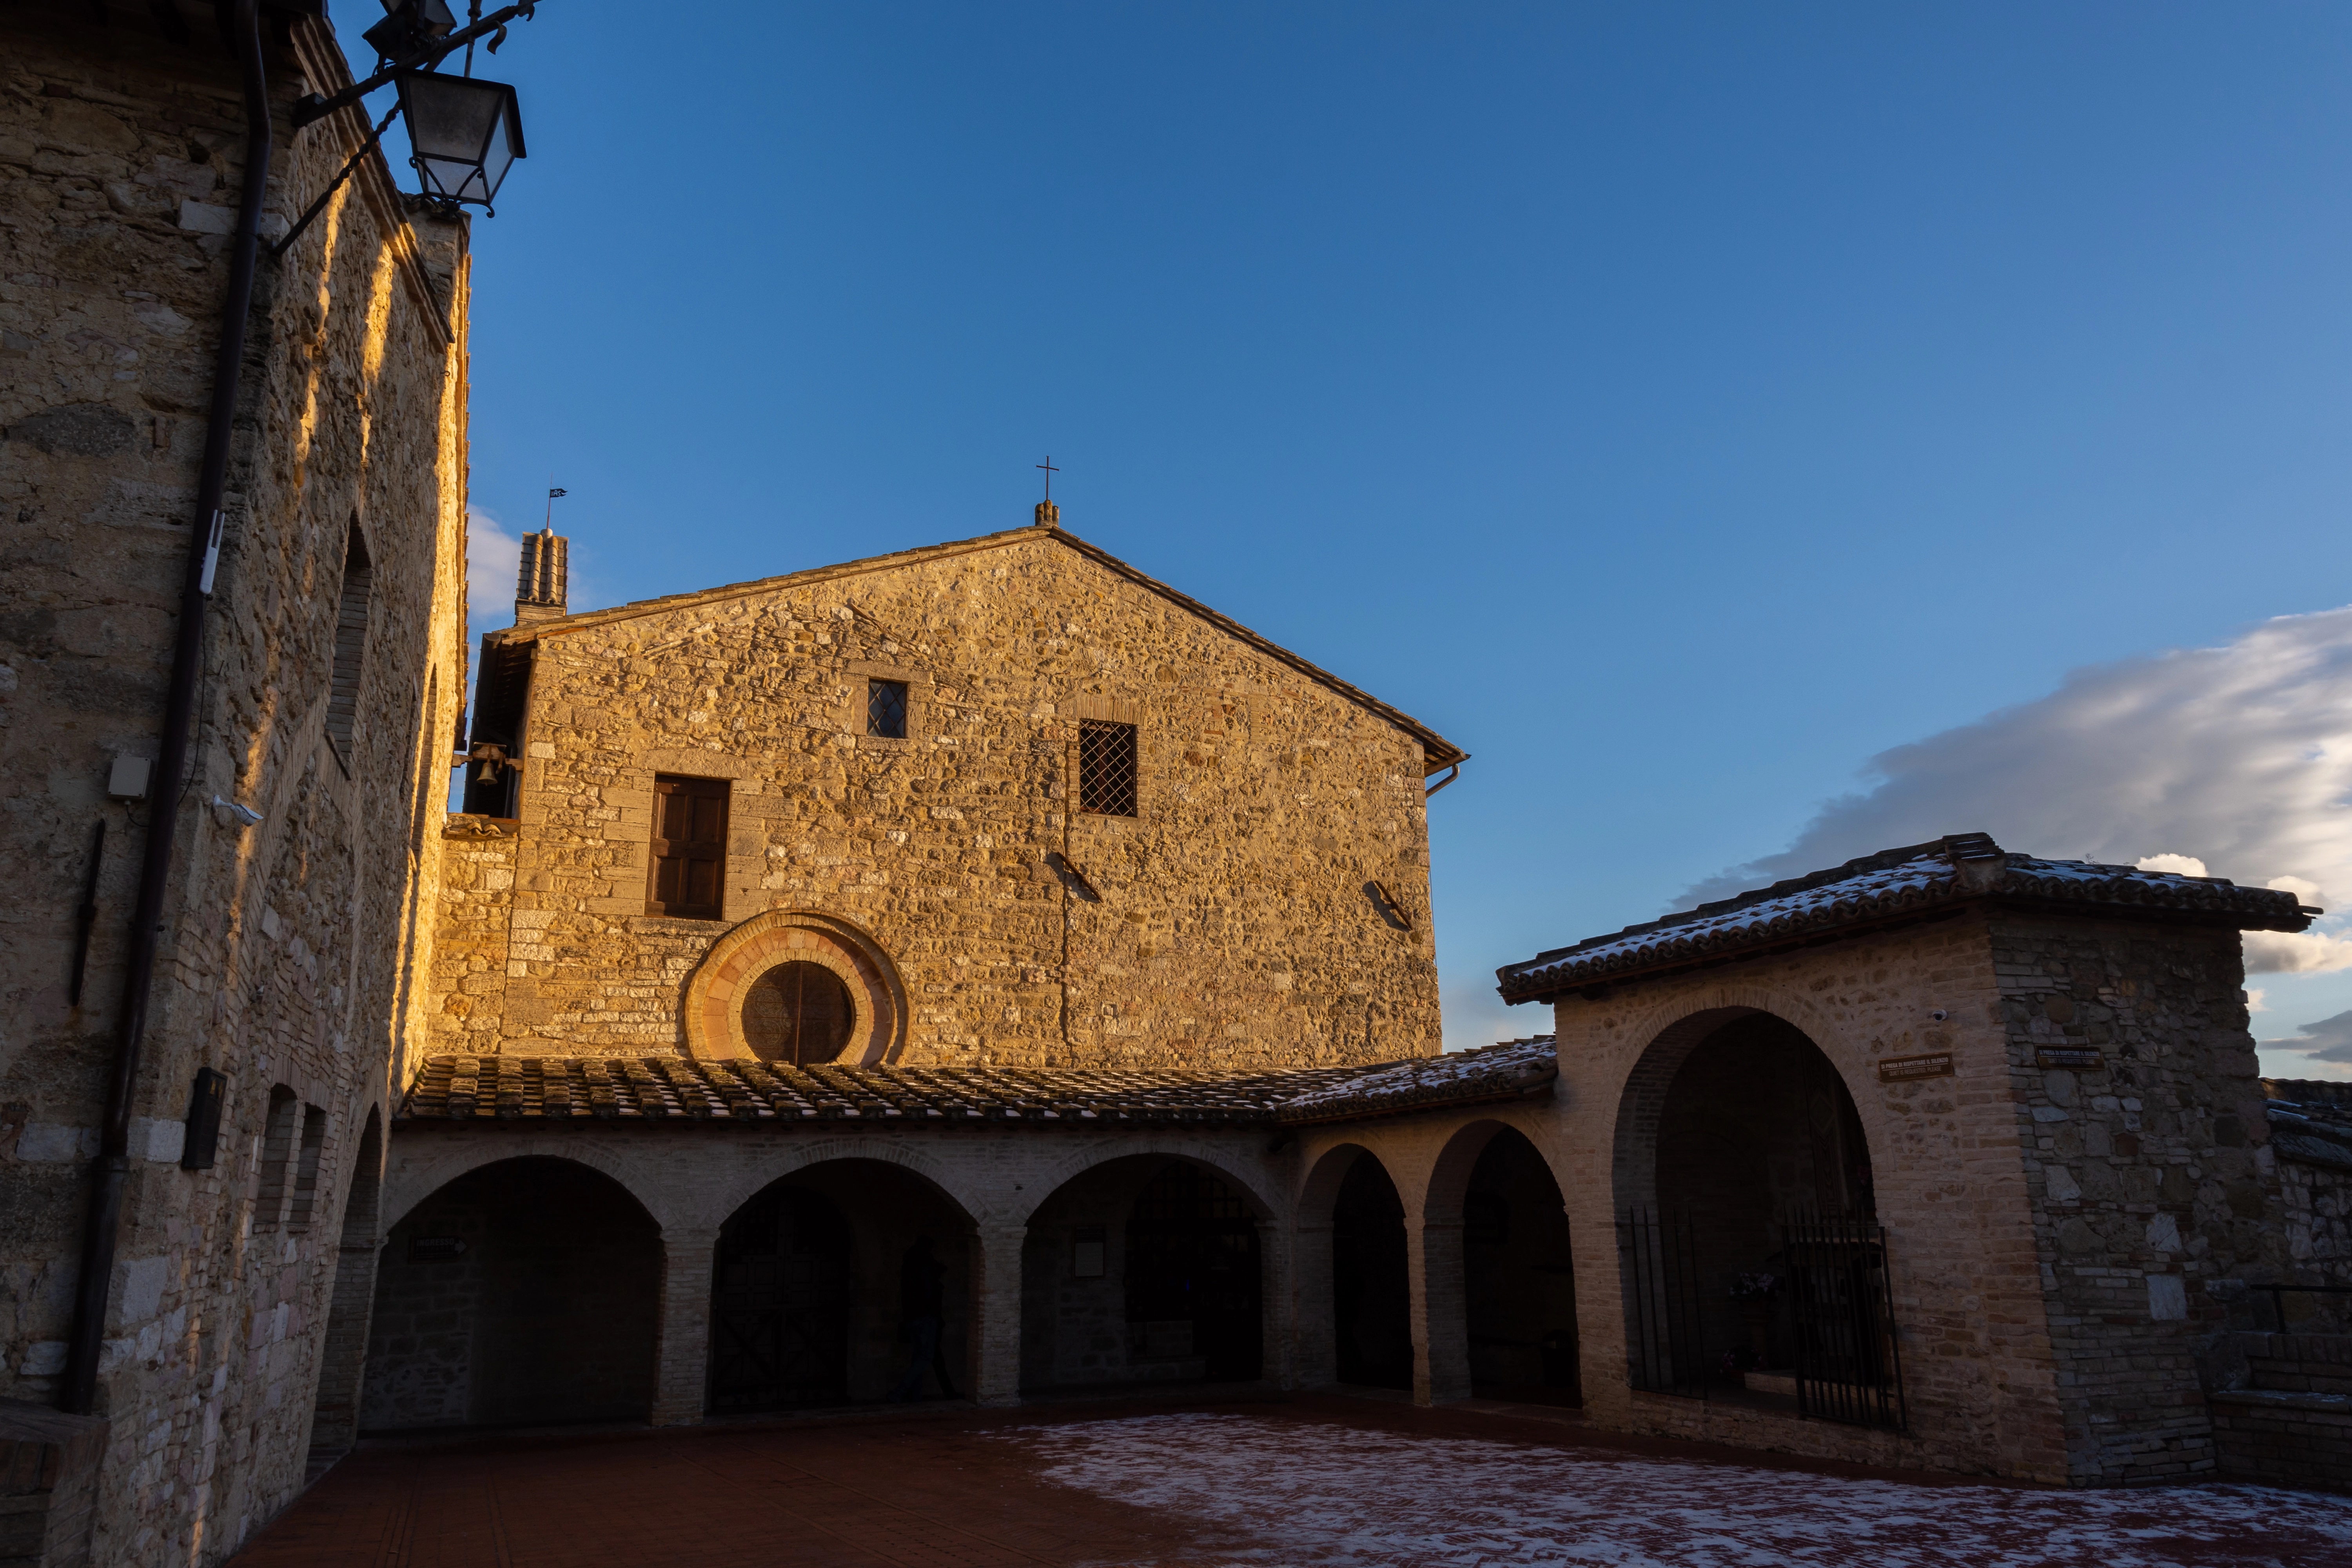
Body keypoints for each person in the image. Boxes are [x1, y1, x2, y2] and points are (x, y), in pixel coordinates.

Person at [889, 1235, 960, 1401]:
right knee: (925, 1358)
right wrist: (935, 1315)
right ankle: (898, 1394)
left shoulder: (909, 1264)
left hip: (913, 1317)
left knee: (919, 1358)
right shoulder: (925, 1267)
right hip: (925, 1317)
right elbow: (929, 1293)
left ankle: (916, 1397)